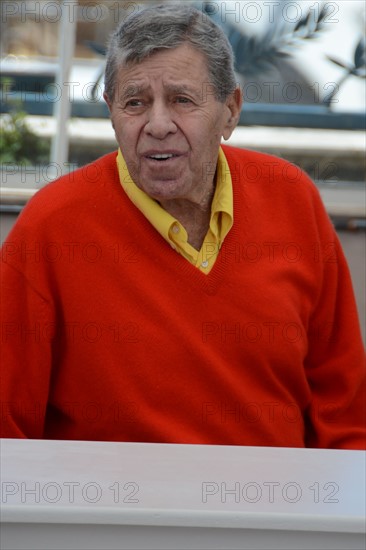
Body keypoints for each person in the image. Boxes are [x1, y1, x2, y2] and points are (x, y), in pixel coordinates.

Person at [1, 4, 365, 448]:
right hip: (111, 513)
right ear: (111, 111)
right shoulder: (50, 228)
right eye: (135, 102)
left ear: (230, 111)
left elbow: (344, 409)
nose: (157, 125)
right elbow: (8, 432)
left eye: (182, 100)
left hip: (277, 511)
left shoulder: (292, 199)